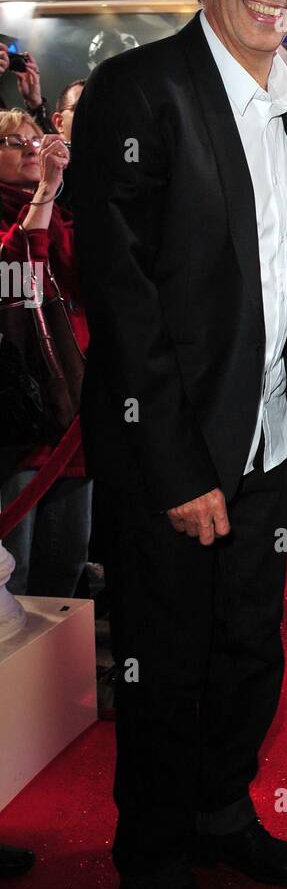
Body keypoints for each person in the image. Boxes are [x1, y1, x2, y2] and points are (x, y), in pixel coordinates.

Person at [72, 0, 287, 889]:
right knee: (164, 673)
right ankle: (155, 877)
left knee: (247, 655)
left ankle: (222, 818)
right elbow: (123, 302)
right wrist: (177, 467)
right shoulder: (142, 93)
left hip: (266, 448)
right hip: (171, 456)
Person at [0, 111, 91, 596]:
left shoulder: (67, 217)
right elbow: (16, 277)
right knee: (15, 568)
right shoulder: (29, 213)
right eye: (14, 141)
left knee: (68, 562)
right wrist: (43, 196)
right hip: (20, 416)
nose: (31, 148)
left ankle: (55, 672)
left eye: (37, 140)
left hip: (73, 411)